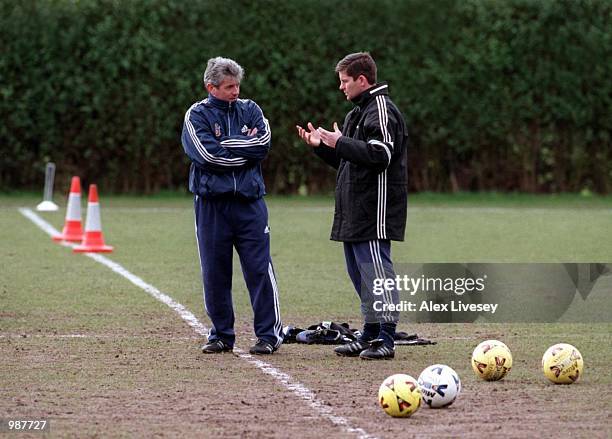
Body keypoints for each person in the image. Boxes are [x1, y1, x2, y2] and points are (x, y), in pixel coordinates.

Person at [296, 52, 408, 360]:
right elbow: (351, 160)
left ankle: (387, 338)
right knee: (359, 274)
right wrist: (323, 148)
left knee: (376, 273)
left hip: (374, 210)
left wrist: (339, 142)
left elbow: (381, 154)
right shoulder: (357, 112)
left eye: (345, 82)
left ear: (362, 80)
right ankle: (369, 334)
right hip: (355, 210)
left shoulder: (381, 109)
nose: (341, 88)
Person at [181, 57, 283, 355]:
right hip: (212, 206)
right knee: (215, 271)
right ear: (210, 87)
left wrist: (226, 141)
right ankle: (222, 335)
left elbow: (262, 145)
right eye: (228, 87)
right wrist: (243, 144)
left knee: (259, 269)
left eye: (237, 85)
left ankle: (268, 335)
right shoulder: (195, 115)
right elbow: (207, 156)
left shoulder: (251, 109)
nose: (235, 91)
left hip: (250, 205)